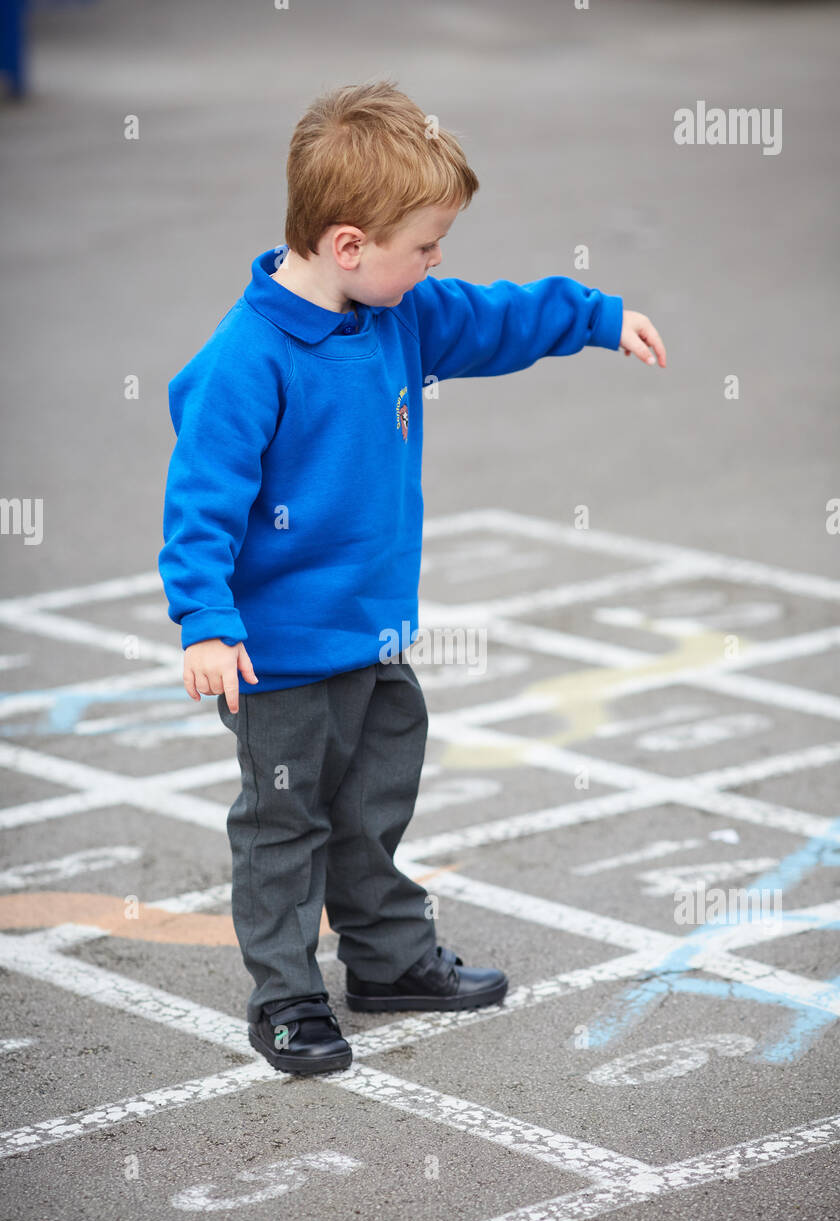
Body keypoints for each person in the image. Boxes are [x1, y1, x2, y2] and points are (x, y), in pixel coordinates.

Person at [158, 79, 666, 1078]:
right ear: (349, 245)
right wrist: (205, 621)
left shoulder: (395, 314)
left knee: (372, 808)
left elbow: (492, 319)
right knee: (284, 823)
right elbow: (200, 501)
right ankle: (288, 994)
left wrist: (594, 317)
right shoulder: (247, 360)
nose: (436, 264)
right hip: (279, 659)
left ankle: (388, 959)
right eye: (424, 246)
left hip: (374, 639)